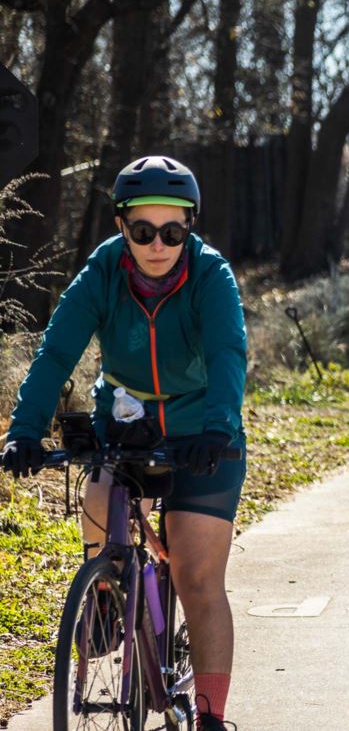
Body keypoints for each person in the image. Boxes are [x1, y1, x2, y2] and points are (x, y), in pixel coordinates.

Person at [1, 156, 247, 731]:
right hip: (128, 419)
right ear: (121, 227)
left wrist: (216, 429)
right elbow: (56, 354)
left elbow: (227, 354)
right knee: (99, 499)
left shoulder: (211, 276)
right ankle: (107, 593)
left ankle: (210, 716)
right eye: (142, 231)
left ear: (189, 228)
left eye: (172, 231)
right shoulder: (102, 273)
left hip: (202, 430)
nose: (157, 244)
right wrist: (24, 431)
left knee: (197, 576)